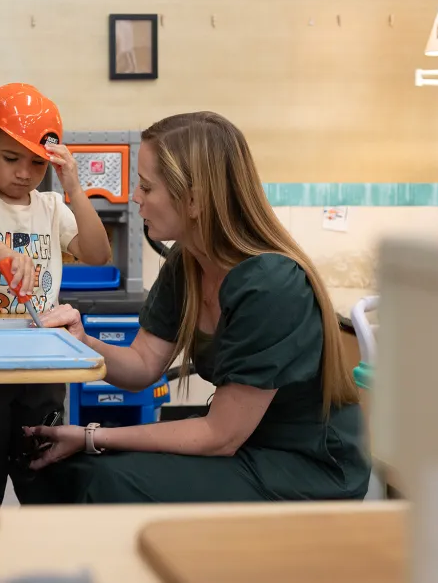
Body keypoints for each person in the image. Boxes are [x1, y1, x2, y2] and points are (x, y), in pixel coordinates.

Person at [19, 111, 370, 504]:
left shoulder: (272, 286)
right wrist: (80, 341)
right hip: (243, 444)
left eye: (146, 187)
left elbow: (219, 436)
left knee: (103, 481)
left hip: (303, 465)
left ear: (195, 200)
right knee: (66, 471)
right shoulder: (186, 263)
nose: (135, 197)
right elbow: (143, 365)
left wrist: (91, 436)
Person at [0, 82, 112, 505]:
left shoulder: (52, 206)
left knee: (44, 476)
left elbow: (97, 254)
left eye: (37, 162)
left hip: (41, 365)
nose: (24, 172)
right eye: (11, 158)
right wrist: (0, 251)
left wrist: (74, 188)